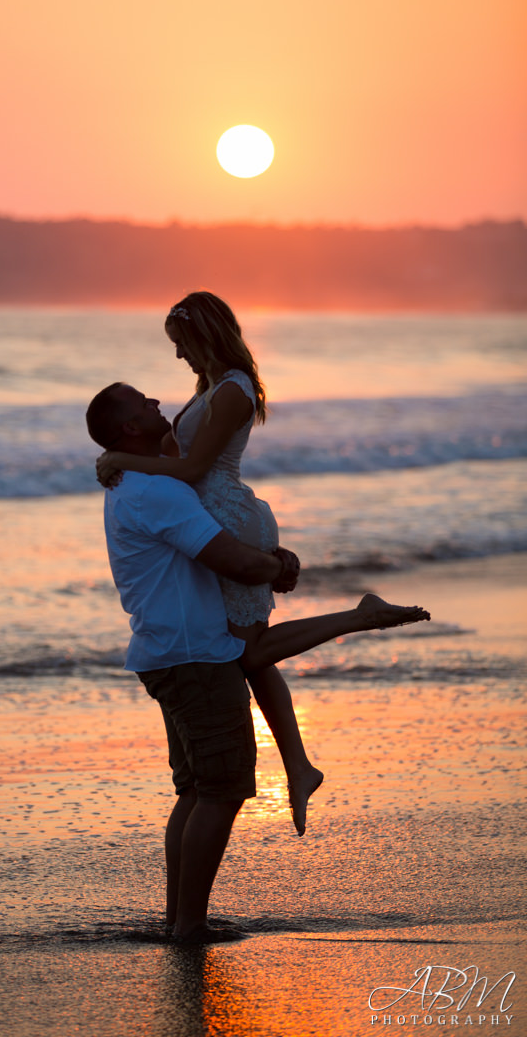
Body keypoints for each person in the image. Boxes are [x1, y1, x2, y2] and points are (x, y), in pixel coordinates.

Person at [86, 381, 429, 944]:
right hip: (194, 658)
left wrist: (268, 562)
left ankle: (178, 918)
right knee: (221, 791)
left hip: (168, 653)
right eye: (143, 404)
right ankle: (189, 925)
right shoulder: (155, 491)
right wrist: (279, 568)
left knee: (196, 790)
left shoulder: (133, 481)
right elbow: (230, 561)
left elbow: (223, 545)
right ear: (128, 429)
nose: (157, 404)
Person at [95, 293, 314, 832]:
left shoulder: (235, 389)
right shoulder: (209, 389)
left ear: (203, 336)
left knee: (250, 651)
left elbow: (192, 468)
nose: (177, 358)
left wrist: (122, 457)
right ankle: (300, 765)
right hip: (207, 515)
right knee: (246, 655)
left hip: (230, 516)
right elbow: (176, 456)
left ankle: (301, 761)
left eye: (181, 345)